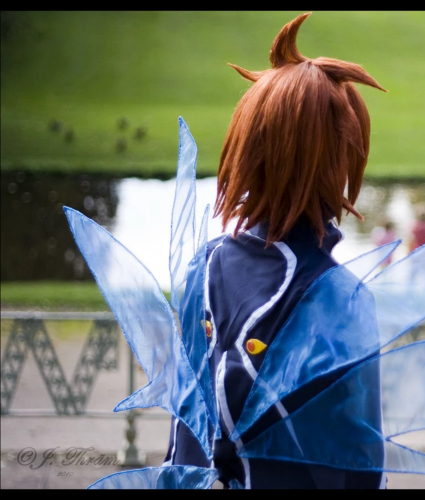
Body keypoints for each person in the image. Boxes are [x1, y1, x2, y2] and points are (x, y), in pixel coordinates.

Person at [162, 13, 387, 489]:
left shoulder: (202, 267)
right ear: (340, 160)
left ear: (247, 148)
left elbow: (183, 436)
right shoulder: (340, 298)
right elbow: (361, 463)